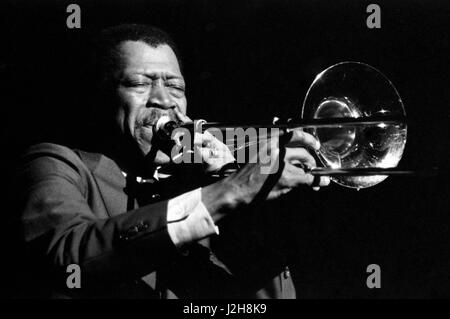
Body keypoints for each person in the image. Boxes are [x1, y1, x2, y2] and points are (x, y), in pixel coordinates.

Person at [14, 24, 329, 298]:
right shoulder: (57, 162)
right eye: (140, 83)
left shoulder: (200, 185)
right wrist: (231, 190)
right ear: (102, 96)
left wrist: (231, 189)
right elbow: (68, 257)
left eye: (175, 86)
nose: (164, 100)